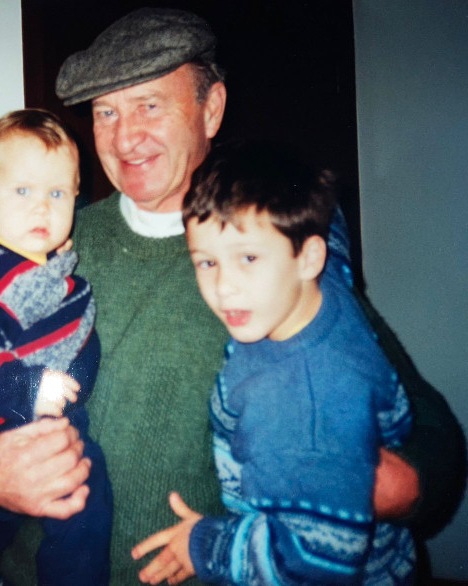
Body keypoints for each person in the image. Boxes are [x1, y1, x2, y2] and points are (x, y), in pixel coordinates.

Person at [0, 8, 465, 584]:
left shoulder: (269, 252)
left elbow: (433, 440)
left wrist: (356, 485)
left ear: (211, 110)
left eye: (149, 105)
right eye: (106, 111)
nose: (125, 136)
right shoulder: (43, 241)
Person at [132, 140, 416, 585]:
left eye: (248, 258)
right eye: (206, 262)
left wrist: (203, 544)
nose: (224, 287)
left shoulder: (301, 404)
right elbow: (332, 237)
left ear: (308, 257)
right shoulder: (324, 282)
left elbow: (318, 560)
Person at [0, 109, 112, 586]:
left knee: (1, 519)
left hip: (36, 406)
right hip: (8, 406)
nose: (41, 209)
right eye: (23, 191)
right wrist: (26, 389)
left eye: (57, 194)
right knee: (82, 497)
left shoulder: (37, 261)